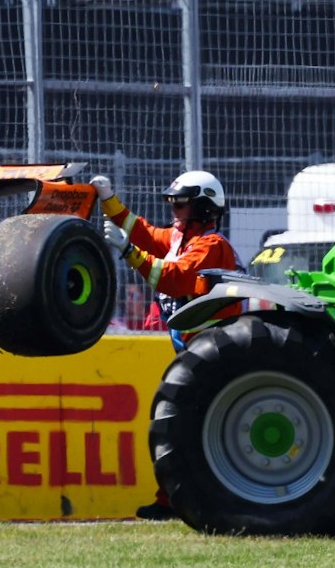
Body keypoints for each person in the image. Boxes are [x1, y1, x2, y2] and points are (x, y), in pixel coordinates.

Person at [93, 170, 238, 521]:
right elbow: (142, 230)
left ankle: (178, 501)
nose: (175, 211)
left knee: (185, 425)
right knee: (179, 424)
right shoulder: (180, 239)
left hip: (215, 355)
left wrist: (129, 252)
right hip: (193, 353)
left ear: (203, 207)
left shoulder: (212, 246)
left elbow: (173, 279)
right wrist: (108, 199)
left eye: (182, 204)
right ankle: (170, 500)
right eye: (173, 204)